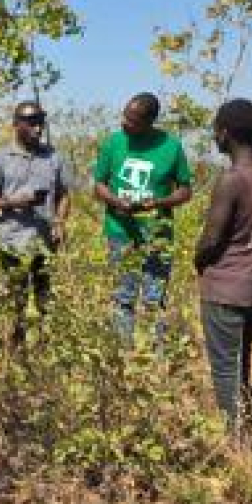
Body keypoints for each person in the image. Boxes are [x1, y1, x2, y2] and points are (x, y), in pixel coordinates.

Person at [193, 99, 252, 439]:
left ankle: (236, 439)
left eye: (216, 129)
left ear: (226, 133)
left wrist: (198, 260)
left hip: (226, 287)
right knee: (240, 360)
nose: (214, 136)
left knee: (225, 369)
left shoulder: (231, 180)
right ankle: (243, 426)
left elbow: (212, 240)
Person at [92, 92, 193, 344]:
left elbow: (185, 190)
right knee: (123, 297)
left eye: (133, 120)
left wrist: (159, 202)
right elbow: (99, 184)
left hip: (157, 234)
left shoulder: (171, 147)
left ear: (150, 122)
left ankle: (153, 360)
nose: (125, 123)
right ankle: (123, 356)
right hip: (120, 232)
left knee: (154, 297)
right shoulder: (113, 143)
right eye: (125, 116)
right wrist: (116, 202)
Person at [0, 101, 73, 346]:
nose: (38, 129)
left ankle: (44, 345)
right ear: (16, 125)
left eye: (40, 123)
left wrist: (59, 221)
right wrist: (14, 203)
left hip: (45, 240)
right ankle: (16, 346)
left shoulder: (54, 156)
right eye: (31, 123)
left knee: (44, 294)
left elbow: (64, 194)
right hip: (12, 239)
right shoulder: (0, 158)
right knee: (16, 296)